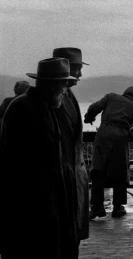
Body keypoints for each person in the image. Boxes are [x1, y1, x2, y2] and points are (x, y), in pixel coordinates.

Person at [0, 58, 83, 258]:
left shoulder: (51, 107)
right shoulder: (22, 108)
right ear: (52, 85)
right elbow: (10, 164)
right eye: (64, 85)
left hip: (54, 204)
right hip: (32, 208)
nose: (66, 90)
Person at [52, 47, 90, 251]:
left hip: (73, 178)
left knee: (72, 238)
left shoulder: (68, 97)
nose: (80, 74)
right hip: (64, 182)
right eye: (77, 68)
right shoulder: (55, 101)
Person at [83, 86, 133, 219]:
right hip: (121, 137)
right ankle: (117, 207)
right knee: (120, 172)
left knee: (98, 170)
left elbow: (95, 107)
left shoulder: (111, 97)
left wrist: (89, 117)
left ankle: (97, 207)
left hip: (103, 134)